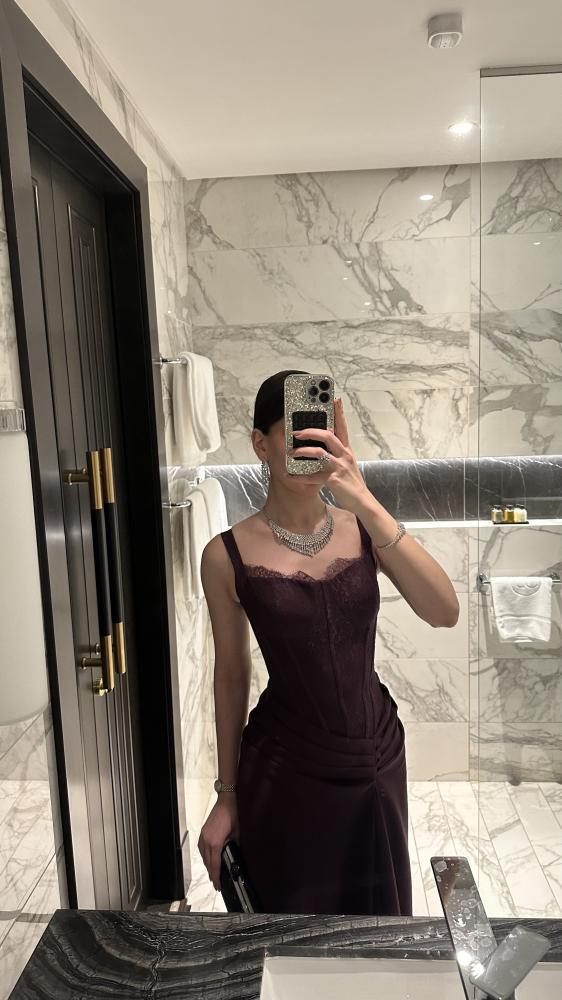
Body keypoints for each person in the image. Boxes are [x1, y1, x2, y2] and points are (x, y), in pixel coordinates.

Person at [198, 369, 459, 914]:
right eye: (297, 433)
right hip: (285, 765)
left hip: (375, 757)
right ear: (260, 444)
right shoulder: (225, 555)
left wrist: (361, 496)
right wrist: (227, 795)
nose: (313, 447)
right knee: (295, 927)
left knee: (378, 926)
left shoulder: (363, 529)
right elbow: (231, 673)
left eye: (323, 432)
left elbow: (444, 611)